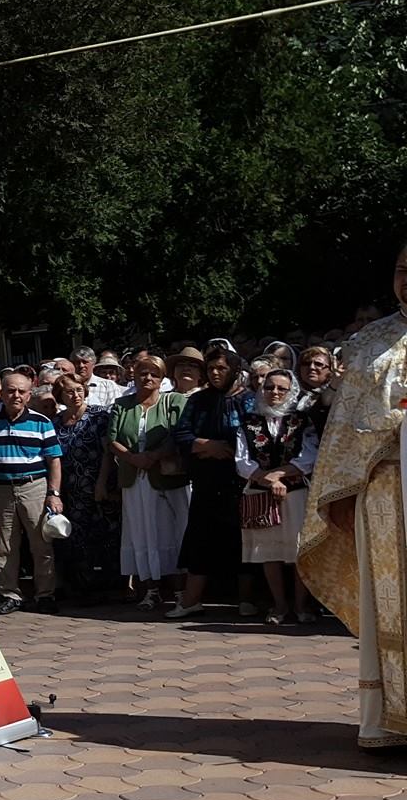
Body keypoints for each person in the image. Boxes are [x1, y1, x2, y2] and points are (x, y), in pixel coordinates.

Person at [305, 242, 407, 747]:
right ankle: (389, 721)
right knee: (389, 604)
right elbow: (346, 426)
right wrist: (340, 494)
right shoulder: (371, 341)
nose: (406, 279)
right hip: (385, 491)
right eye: (401, 270)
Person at [0, 371, 65, 613]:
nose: (16, 395)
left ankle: (45, 594)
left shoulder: (41, 422)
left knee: (41, 544)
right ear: (2, 393)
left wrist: (53, 493)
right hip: (2, 488)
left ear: (29, 395)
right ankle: (10, 594)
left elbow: (54, 461)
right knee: (5, 546)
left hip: (34, 486)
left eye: (21, 391)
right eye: (11, 390)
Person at [108, 356, 191, 612]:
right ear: (134, 375)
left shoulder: (174, 401)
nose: (148, 378)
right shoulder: (122, 405)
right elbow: (112, 438)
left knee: (173, 532)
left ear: (163, 377)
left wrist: (153, 456)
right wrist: (133, 458)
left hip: (166, 478)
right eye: (143, 373)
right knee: (141, 533)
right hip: (135, 479)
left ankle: (179, 592)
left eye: (154, 374)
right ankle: (150, 591)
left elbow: (178, 433)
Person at [167, 349, 245, 619]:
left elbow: (250, 436)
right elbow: (182, 434)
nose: (214, 373)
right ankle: (191, 600)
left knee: (241, 539)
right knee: (200, 539)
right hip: (206, 481)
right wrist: (206, 446)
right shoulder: (199, 400)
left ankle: (246, 599)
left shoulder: (246, 401)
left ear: (233, 370)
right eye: (211, 368)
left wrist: (228, 449)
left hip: (238, 482)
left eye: (221, 368)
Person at [237, 369, 318, 625]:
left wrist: (279, 476)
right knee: (268, 553)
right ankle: (279, 606)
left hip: (295, 494)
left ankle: (301, 606)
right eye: (270, 387)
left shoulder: (302, 421)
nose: (275, 393)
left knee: (298, 552)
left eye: (281, 389)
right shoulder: (249, 421)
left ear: (290, 391)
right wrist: (268, 479)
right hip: (260, 495)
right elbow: (242, 461)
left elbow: (309, 457)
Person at [51, 373, 117, 602]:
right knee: (77, 539)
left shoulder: (98, 416)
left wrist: (101, 482)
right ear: (60, 395)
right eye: (69, 391)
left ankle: (112, 587)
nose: (75, 395)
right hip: (71, 490)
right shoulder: (56, 423)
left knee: (107, 535)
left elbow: (108, 452)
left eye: (79, 389)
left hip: (99, 485)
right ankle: (82, 588)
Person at [296, 344, 336, 431]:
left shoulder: (338, 395)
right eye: (306, 363)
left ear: (331, 368)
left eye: (318, 364)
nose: (311, 367)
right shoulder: (294, 396)